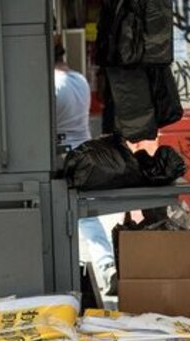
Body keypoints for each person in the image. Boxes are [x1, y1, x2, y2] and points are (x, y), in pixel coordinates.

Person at [55, 40, 117, 297]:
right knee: (87, 217)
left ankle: (63, 274)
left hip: (63, 157)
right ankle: (106, 265)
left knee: (59, 215)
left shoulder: (54, 85)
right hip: (85, 153)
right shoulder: (79, 79)